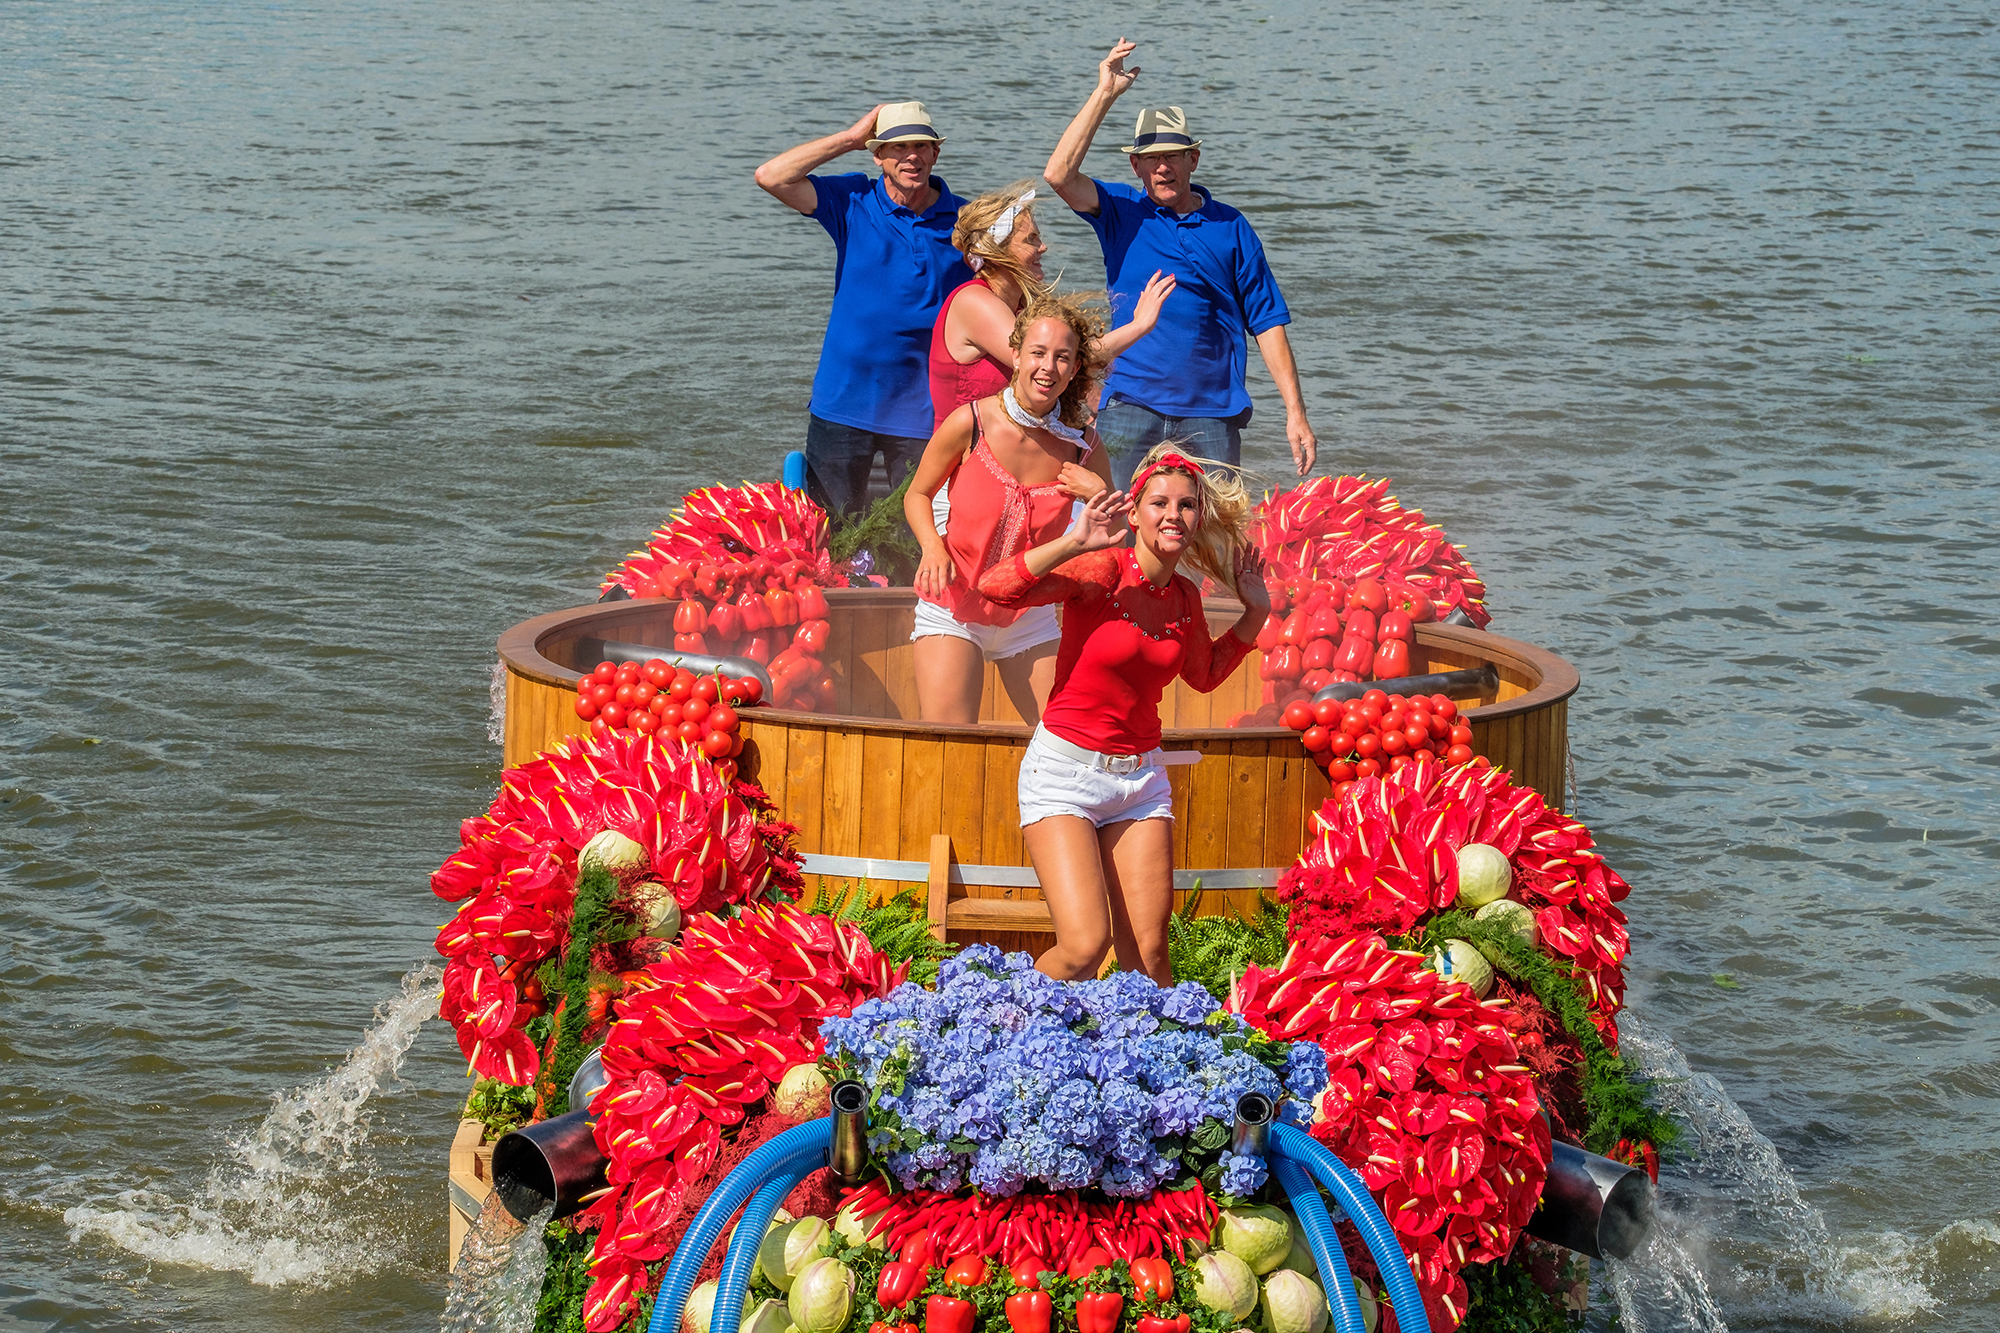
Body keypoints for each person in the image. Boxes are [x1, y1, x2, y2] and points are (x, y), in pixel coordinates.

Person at [977, 446, 1270, 982]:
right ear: (1133, 513)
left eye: (1185, 505)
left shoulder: (1185, 597)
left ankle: (1143, 1038)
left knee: (1151, 957)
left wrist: (1256, 613)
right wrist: (1073, 542)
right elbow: (995, 588)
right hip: (1064, 775)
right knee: (1084, 947)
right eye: (1159, 503)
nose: (1173, 515)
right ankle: (1004, 1022)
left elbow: (1204, 675)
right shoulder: (1104, 569)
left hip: (1140, 782)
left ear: (1197, 519)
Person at [1043, 40, 1320, 488]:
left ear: (1193, 159)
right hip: (1129, 404)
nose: (1162, 168)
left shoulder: (1231, 226)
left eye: (1172, 155)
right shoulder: (1120, 212)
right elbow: (1058, 175)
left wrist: (1296, 412)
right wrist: (1105, 94)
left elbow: (1267, 322)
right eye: (1151, 159)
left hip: (1212, 413)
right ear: (1135, 165)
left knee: (1213, 530)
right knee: (1113, 519)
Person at [754, 101, 972, 517]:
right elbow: (771, 176)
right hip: (843, 402)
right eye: (898, 147)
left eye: (921, 146)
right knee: (831, 529)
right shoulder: (852, 200)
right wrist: (850, 139)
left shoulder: (967, 220)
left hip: (924, 411)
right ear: (878, 156)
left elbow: (1010, 286)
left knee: (915, 534)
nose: (911, 156)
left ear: (935, 153)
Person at [904, 294, 1113, 724]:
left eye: (1061, 358)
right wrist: (932, 547)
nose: (1048, 367)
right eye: (1037, 353)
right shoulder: (971, 423)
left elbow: (1118, 537)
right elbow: (918, 494)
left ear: (1075, 368)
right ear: (1015, 355)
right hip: (954, 604)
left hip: (1030, 616)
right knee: (950, 744)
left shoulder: (1083, 445)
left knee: (1067, 737)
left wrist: (1098, 492)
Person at [930, 181, 1177, 427]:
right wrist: (1139, 325)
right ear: (998, 252)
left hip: (1008, 439)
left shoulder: (1022, 306)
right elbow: (1069, 357)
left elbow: (1067, 361)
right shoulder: (975, 302)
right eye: (1031, 239)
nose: (1043, 247)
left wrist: (1089, 395)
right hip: (967, 443)